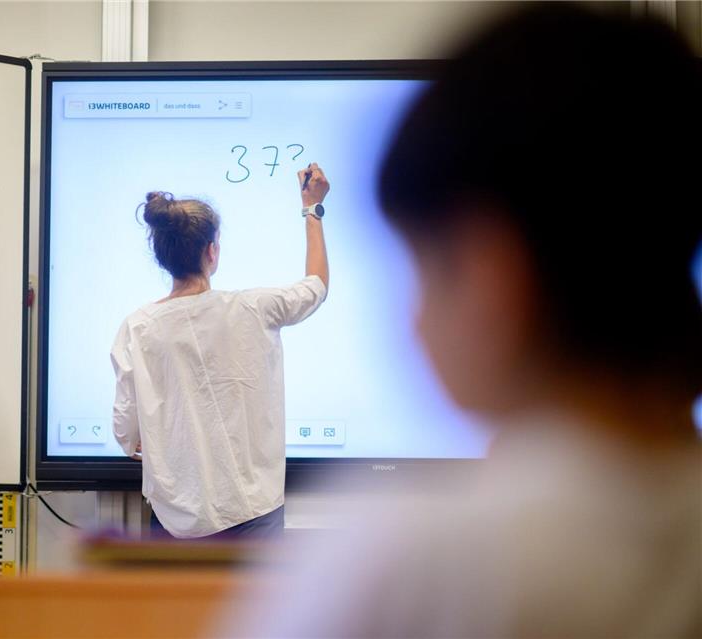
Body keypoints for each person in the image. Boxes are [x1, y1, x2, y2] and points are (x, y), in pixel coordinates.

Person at [222, 5, 701, 637]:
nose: (416, 322)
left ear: (494, 272)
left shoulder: (409, 567)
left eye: (426, 269)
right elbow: (312, 287)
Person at [110, 164, 331, 539]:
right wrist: (312, 208)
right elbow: (316, 287)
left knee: (180, 601)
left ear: (162, 256)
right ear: (212, 251)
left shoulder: (138, 327)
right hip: (253, 515)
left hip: (173, 522)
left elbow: (126, 435)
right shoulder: (254, 308)